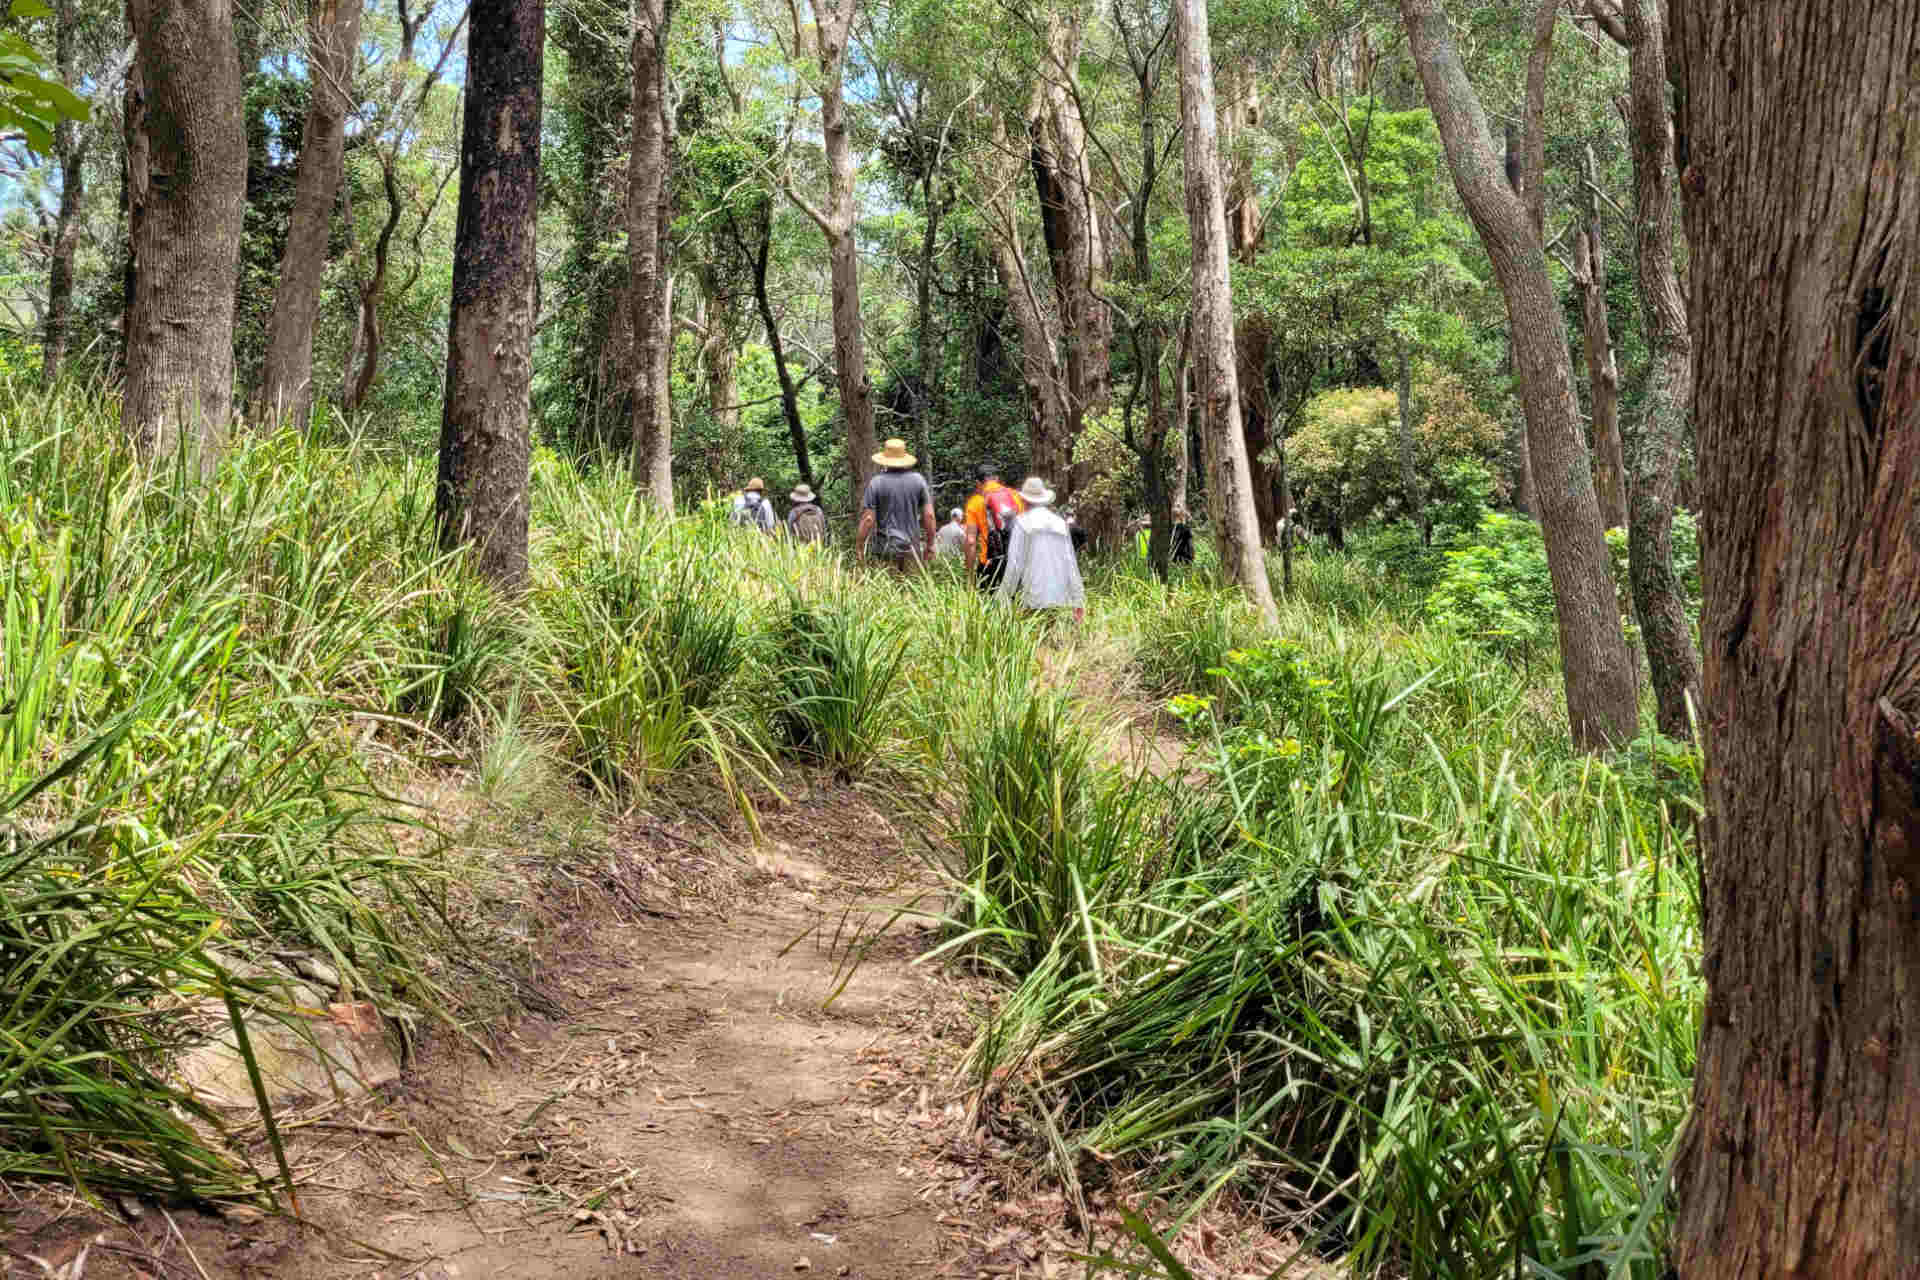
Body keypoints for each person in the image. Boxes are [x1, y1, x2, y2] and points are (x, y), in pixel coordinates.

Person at [996, 475, 1085, 623]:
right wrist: (1078, 600)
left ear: (1024, 500)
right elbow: (1070, 563)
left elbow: (1014, 564)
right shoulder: (1059, 523)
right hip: (1059, 598)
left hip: (1033, 597)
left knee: (1035, 640)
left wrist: (1003, 598)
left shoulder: (1022, 523)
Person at [857, 438, 936, 571]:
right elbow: (929, 516)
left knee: (887, 590)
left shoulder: (877, 482)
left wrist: (859, 546)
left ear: (885, 460)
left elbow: (868, 519)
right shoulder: (918, 481)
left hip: (886, 549)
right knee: (912, 590)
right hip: (912, 548)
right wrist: (930, 545)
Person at [963, 463, 1024, 591]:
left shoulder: (975, 502)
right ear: (997, 478)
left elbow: (970, 541)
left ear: (978, 483)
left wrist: (969, 577)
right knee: (1016, 605)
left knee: (986, 604)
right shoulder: (1016, 496)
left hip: (989, 563)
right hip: (1015, 561)